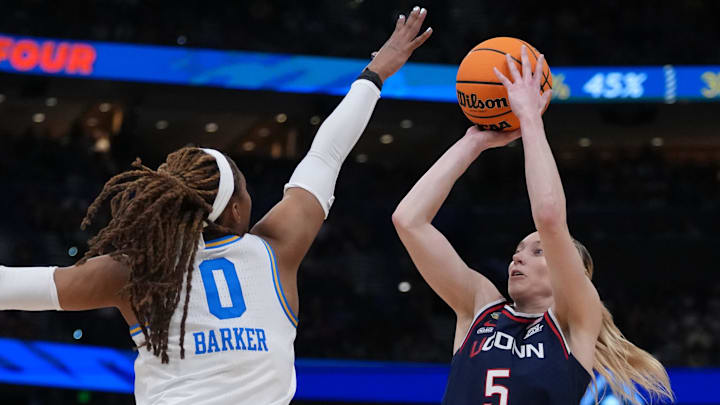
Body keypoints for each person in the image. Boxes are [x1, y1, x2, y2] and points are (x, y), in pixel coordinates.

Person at [0, 7, 432, 405]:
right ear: (232, 212)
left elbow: (17, 287)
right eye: (244, 189)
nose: (250, 197)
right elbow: (325, 154)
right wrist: (374, 75)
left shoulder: (137, 269)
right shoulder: (275, 249)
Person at [392, 46, 673, 404]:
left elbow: (551, 217)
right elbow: (408, 220)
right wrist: (472, 143)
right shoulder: (480, 306)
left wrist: (530, 119)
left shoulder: (575, 320)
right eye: (517, 250)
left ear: (573, 273)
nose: (518, 258)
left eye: (538, 250)